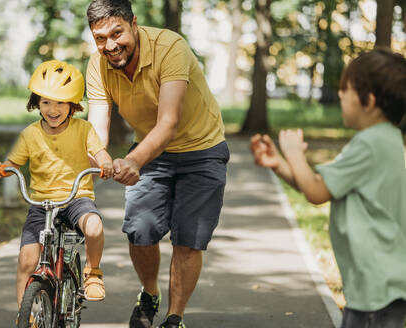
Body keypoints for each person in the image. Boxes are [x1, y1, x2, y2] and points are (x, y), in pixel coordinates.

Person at [85, 1, 229, 327]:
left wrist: (133, 160)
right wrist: (98, 159)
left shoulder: (170, 48)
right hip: (152, 153)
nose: (110, 45)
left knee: (188, 241)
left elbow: (168, 123)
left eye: (116, 33)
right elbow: (96, 129)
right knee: (140, 230)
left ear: (134, 24)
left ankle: (174, 317)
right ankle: (150, 293)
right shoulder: (97, 65)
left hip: (202, 150)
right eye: (100, 38)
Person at [250, 49, 406, 328]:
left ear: (368, 101)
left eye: (345, 90)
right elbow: (324, 187)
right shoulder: (388, 140)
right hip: (381, 285)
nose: (341, 96)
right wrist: (280, 165)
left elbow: (315, 193)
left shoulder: (369, 144)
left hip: (374, 289)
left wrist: (294, 153)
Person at [0, 60, 113, 308]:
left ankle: (93, 272)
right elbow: (13, 164)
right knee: (26, 261)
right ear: (36, 102)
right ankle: (27, 316)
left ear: (73, 105)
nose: (53, 109)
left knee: (95, 228)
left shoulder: (83, 129)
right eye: (46, 102)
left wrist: (105, 162)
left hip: (77, 198)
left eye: (61, 102)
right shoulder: (30, 134)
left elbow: (99, 152)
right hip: (42, 203)